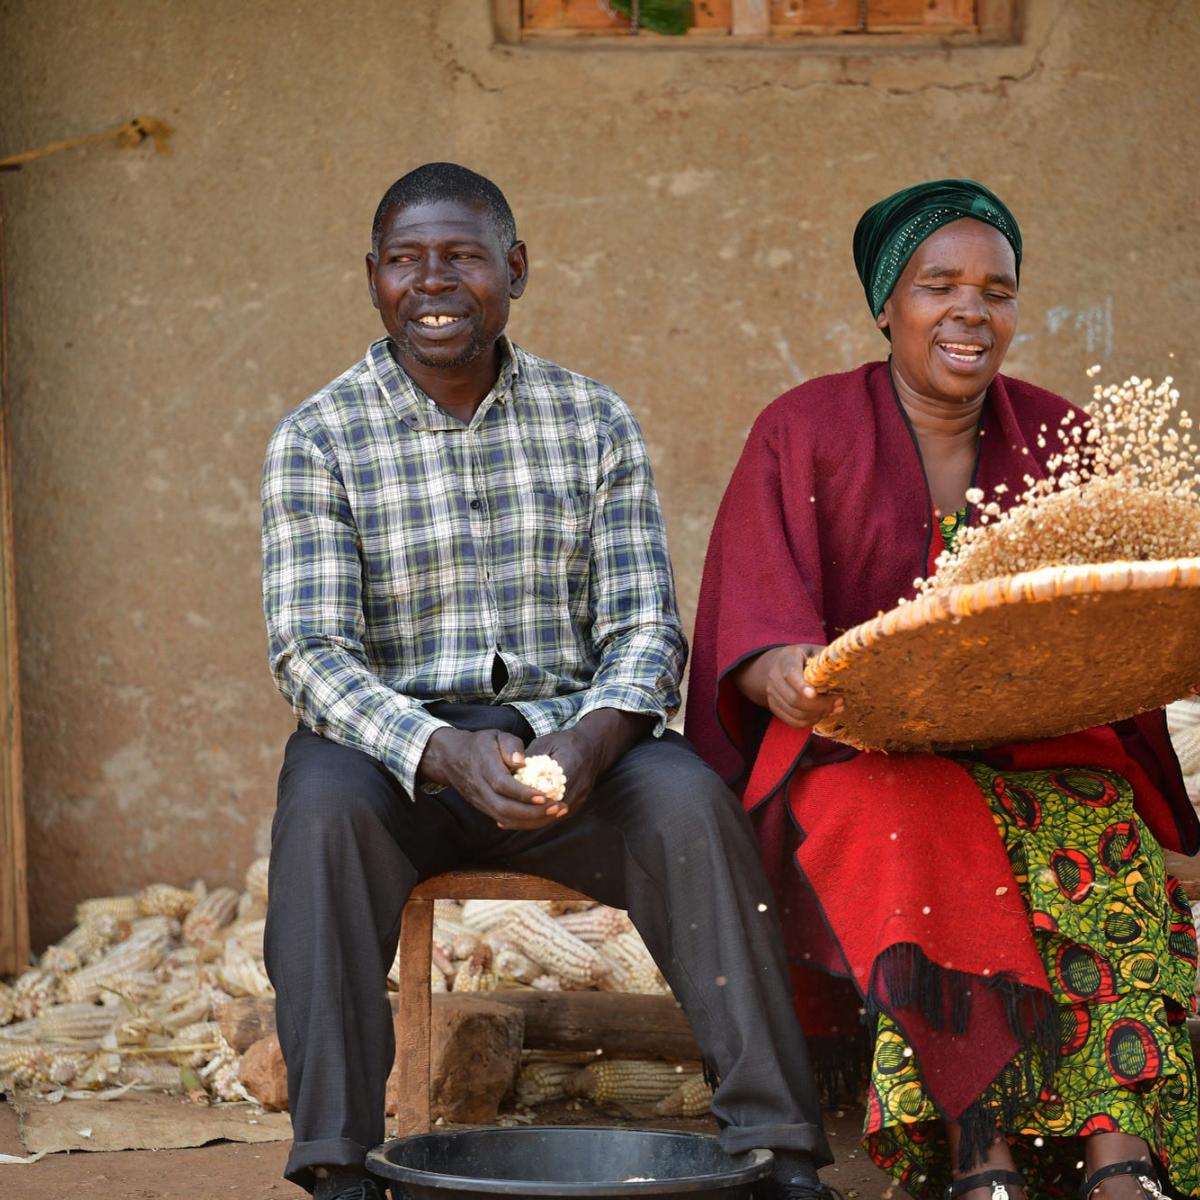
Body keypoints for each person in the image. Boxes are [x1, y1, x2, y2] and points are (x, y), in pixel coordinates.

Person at [260, 162, 836, 1200]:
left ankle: (777, 1144)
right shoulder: (318, 438)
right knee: (319, 813)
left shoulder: (593, 421)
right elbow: (310, 655)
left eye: (463, 256)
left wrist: (589, 742)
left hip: (577, 744)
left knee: (693, 805)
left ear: (514, 270)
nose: (433, 283)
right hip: (396, 757)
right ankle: (338, 1161)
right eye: (406, 261)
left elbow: (647, 630)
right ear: (373, 280)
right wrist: (438, 750)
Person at [686, 180, 1200, 1200]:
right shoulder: (804, 427)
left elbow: (1101, 618)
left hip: (1031, 739)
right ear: (888, 304)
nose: (972, 311)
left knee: (1099, 825)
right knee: (911, 828)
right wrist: (782, 667)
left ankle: (1117, 1150)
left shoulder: (1058, 435)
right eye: (940, 286)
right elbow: (753, 620)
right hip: (855, 750)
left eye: (996, 290)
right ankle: (982, 1153)